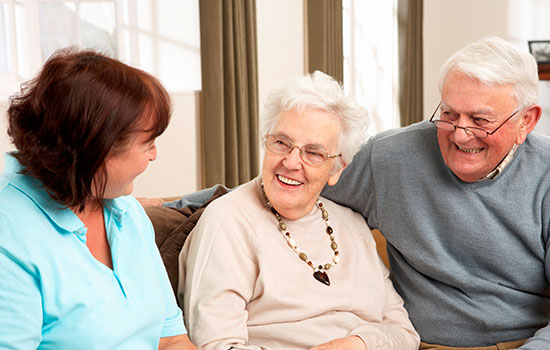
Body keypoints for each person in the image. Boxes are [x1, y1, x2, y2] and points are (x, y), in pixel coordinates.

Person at [321, 36, 549, 349]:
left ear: (527, 121)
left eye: (480, 120)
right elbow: (294, 184)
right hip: (416, 343)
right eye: (449, 114)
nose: (460, 133)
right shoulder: (388, 158)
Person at [178, 71, 420, 350]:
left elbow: (404, 333)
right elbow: (216, 345)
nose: (291, 162)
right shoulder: (228, 221)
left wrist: (358, 344)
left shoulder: (353, 225)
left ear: (337, 169)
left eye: (314, 153)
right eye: (281, 143)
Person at [0, 49, 195, 349]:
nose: (154, 155)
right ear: (97, 150)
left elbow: (171, 339)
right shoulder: (10, 234)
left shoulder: (127, 211)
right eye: (148, 143)